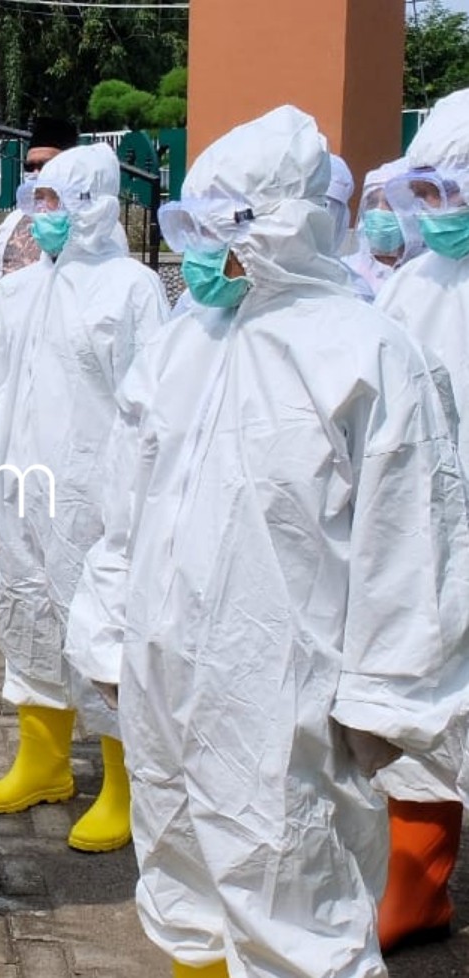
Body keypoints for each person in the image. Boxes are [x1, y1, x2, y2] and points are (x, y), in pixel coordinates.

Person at [67, 105, 469, 978]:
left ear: (279, 225)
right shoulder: (178, 346)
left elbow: (412, 543)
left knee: (298, 912)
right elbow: (122, 513)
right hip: (165, 672)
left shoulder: (367, 352)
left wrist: (386, 702)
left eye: (220, 229)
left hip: (288, 694)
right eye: (195, 226)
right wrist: (104, 629)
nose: (202, 250)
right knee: (178, 873)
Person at [0, 144, 167, 854]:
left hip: (94, 493)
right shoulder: (20, 288)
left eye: (56, 201)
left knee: (102, 627)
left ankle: (124, 782)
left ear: (94, 203)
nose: (43, 215)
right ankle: (45, 762)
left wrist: (135, 496)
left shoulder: (131, 288)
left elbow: (150, 402)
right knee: (25, 613)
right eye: (38, 201)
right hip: (22, 485)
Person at [369, 90, 469, 954]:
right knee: (425, 703)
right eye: (429, 192)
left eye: (454, 194)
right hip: (432, 533)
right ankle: (419, 882)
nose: (439, 213)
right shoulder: (411, 289)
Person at [0, 118, 80, 319]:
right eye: (29, 167)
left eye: (44, 165)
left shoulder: (89, 223)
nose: (36, 173)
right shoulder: (11, 223)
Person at [344, 157, 424, 299]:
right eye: (372, 202)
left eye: (390, 203)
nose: (378, 211)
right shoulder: (347, 270)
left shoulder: (428, 272)